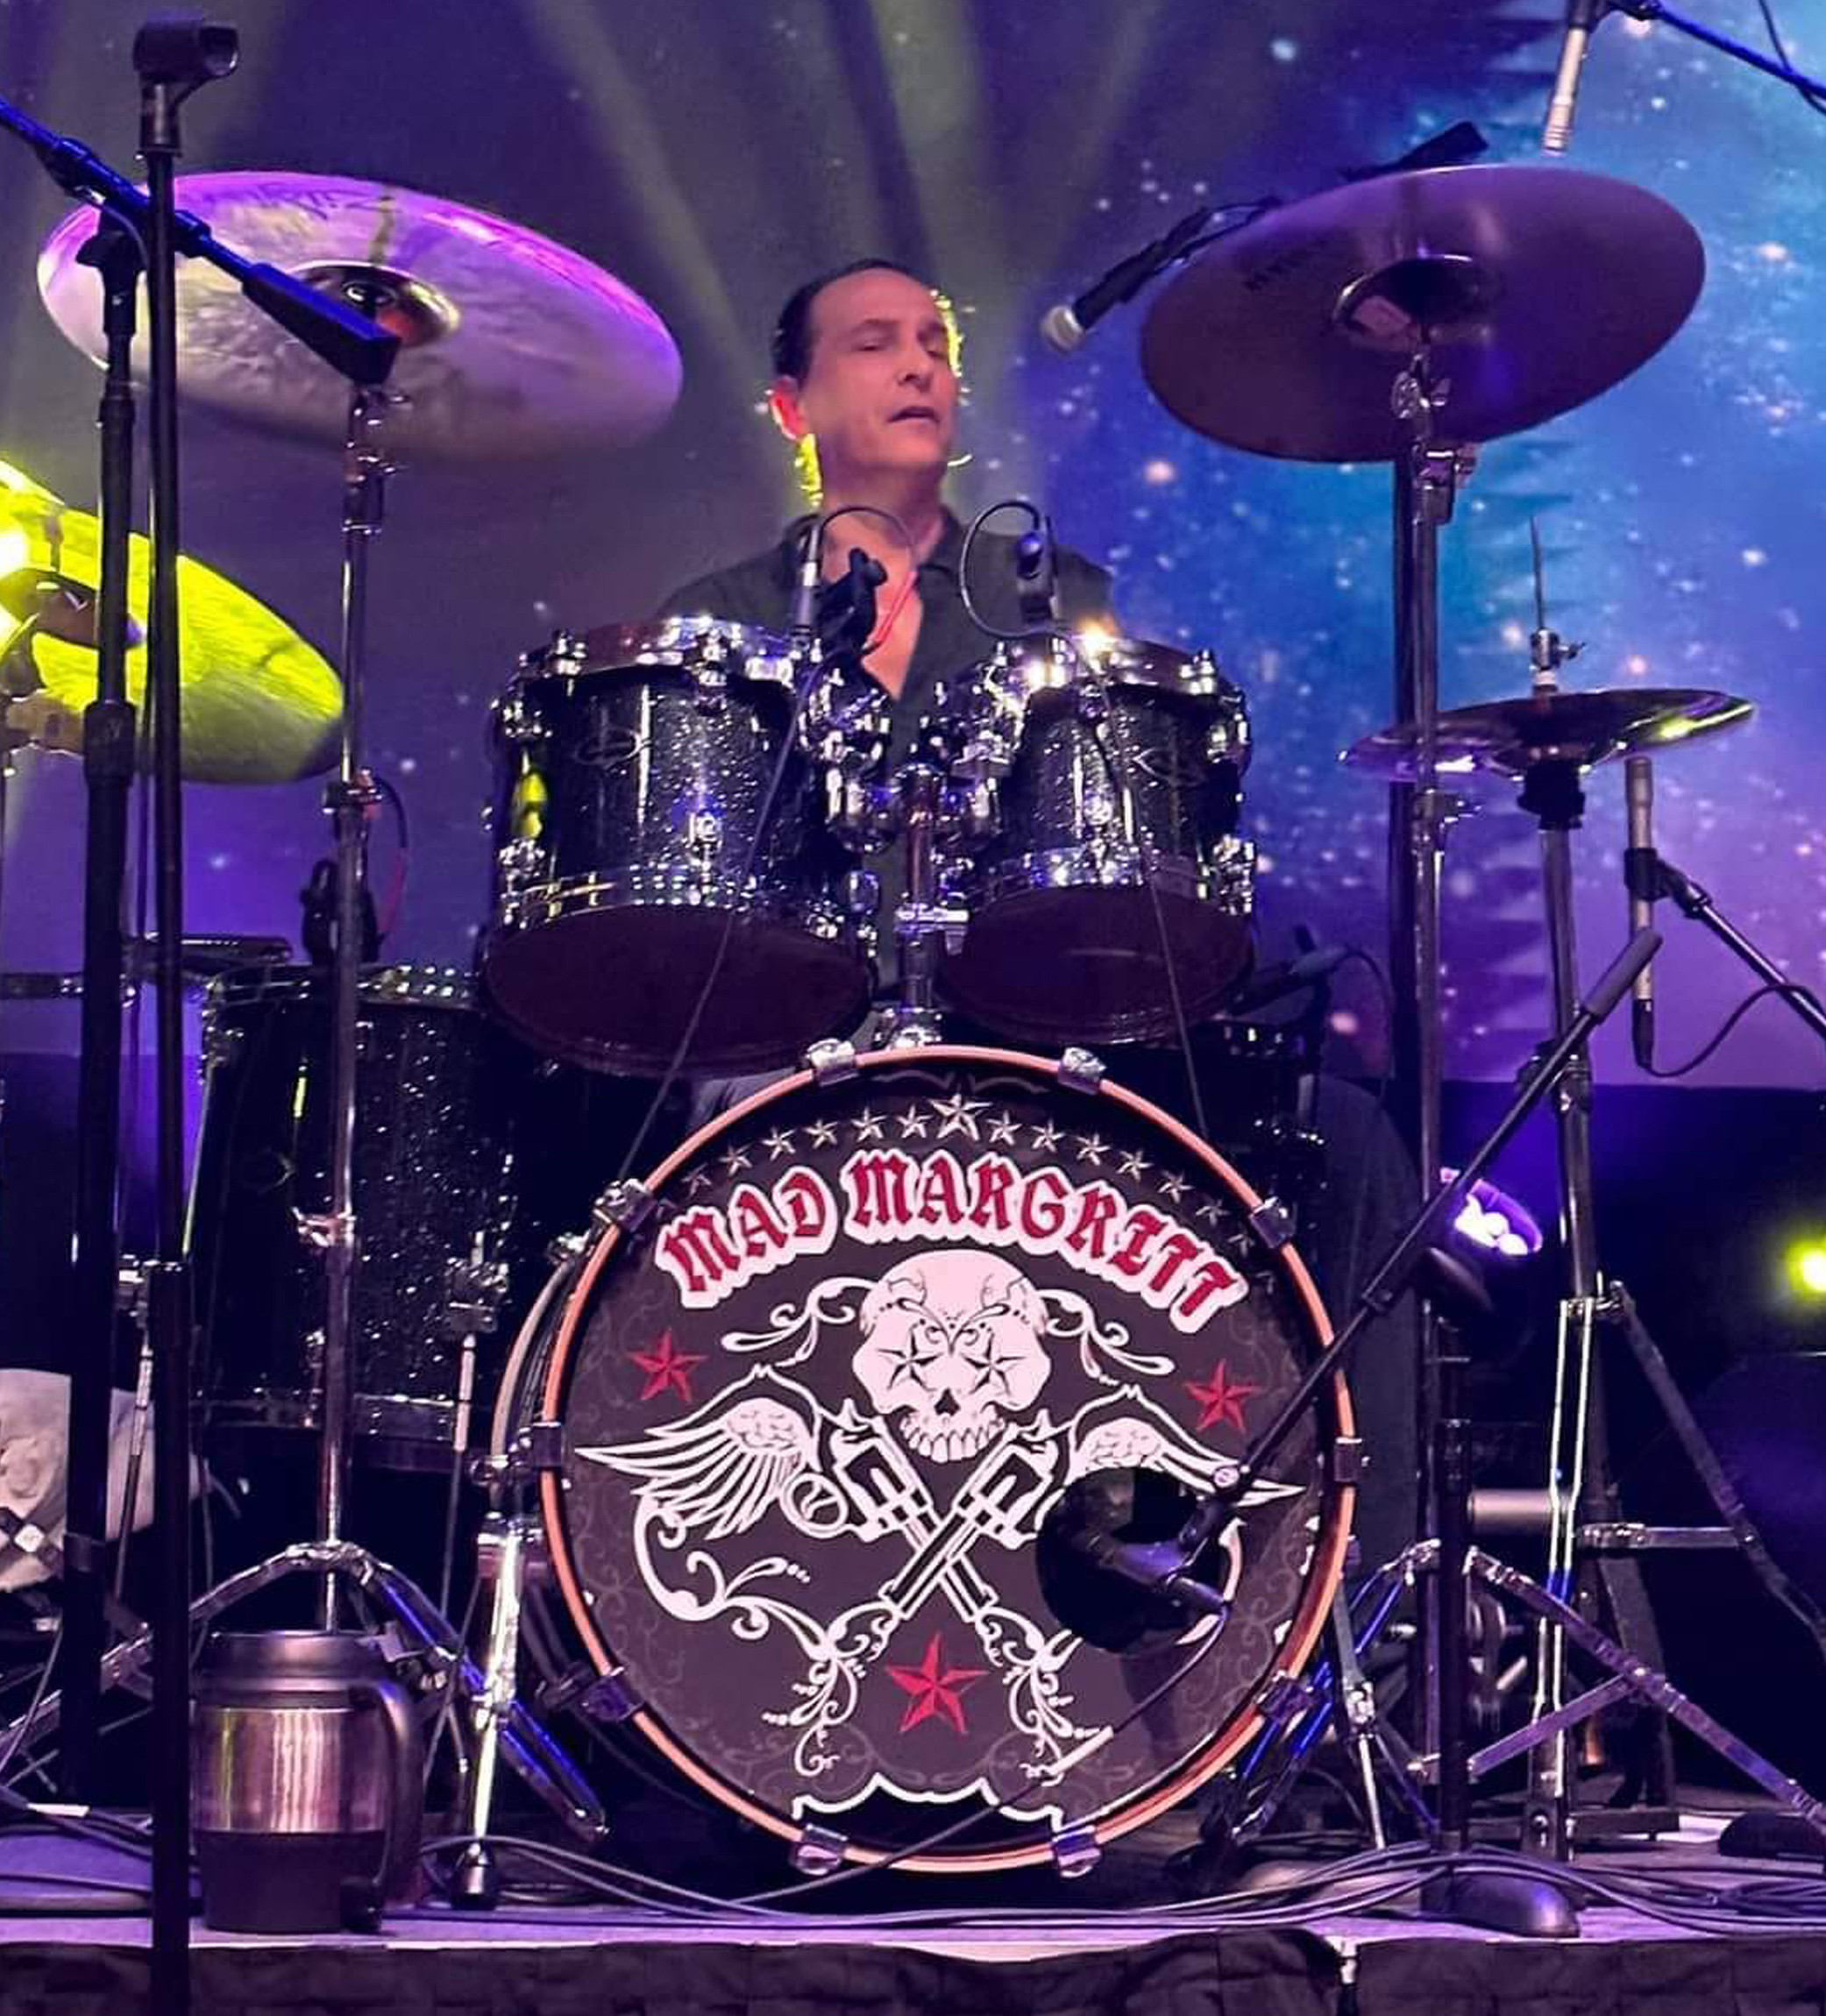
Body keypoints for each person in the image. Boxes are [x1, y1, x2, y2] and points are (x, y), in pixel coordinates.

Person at [655, 256, 1417, 1579]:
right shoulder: (718, 623)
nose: (918, 366)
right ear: (790, 404)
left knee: (1345, 1138)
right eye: (873, 344)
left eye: (934, 344)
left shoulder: (1054, 600)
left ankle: (1358, 1604)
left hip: (1035, 1045)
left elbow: (1123, 860)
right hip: (796, 1057)